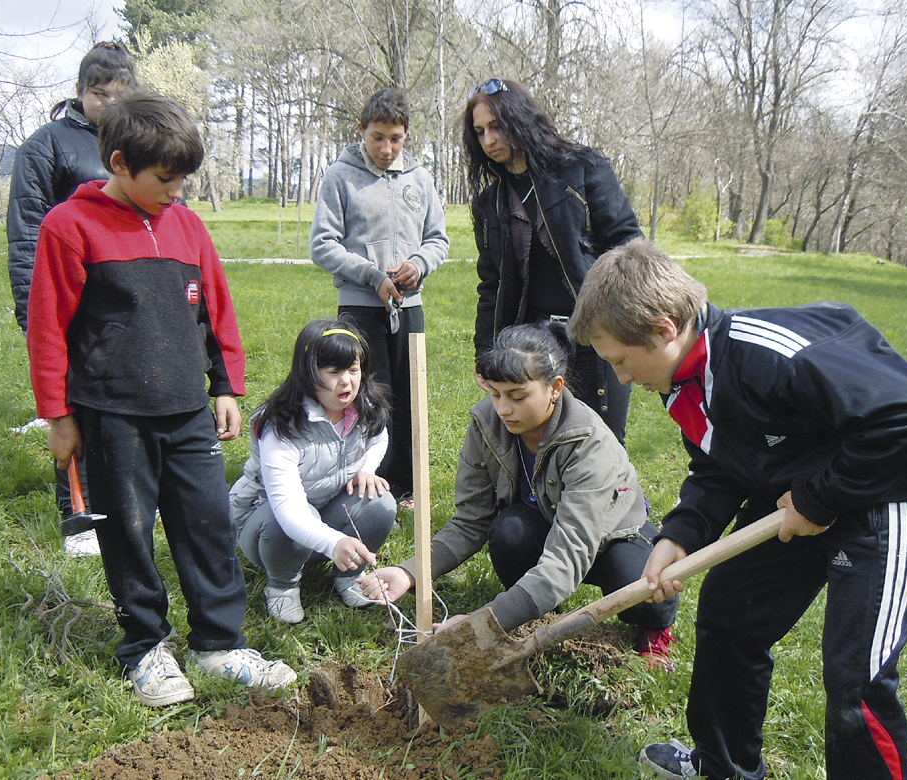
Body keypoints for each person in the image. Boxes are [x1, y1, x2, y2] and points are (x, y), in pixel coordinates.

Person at [566, 239, 907, 780]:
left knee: (856, 679)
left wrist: (821, 499)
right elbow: (720, 465)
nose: (623, 379)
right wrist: (681, 534)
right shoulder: (686, 379)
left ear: (663, 328)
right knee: (729, 614)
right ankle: (725, 767)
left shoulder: (770, 355)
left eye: (621, 362)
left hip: (887, 490)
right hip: (799, 486)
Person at [25, 91, 297, 708]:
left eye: (184, 180)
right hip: (111, 414)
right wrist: (59, 416)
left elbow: (218, 312)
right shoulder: (70, 227)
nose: (177, 191)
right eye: (165, 179)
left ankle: (219, 643)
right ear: (119, 163)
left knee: (206, 523)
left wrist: (225, 386)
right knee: (127, 529)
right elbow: (48, 327)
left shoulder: (188, 226)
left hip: (187, 412)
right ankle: (146, 646)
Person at [358, 322, 679, 665]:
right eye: (495, 394)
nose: (503, 408)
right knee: (509, 531)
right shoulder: (486, 423)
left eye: (517, 396)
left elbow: (566, 557)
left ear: (555, 388)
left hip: (612, 536)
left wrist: (482, 625)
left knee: (643, 585)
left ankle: (654, 629)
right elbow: (470, 521)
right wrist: (409, 573)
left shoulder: (588, 442)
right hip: (544, 524)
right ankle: (538, 609)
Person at [8, 41, 137, 558]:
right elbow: (25, 235)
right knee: (73, 408)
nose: (108, 103)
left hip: (128, 300)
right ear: (79, 92)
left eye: (119, 93)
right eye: (98, 93)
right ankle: (79, 514)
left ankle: (129, 497)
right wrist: (29, 310)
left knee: (126, 402)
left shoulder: (142, 142)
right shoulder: (46, 147)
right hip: (69, 298)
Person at [463, 78, 642, 445]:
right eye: (480, 132)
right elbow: (491, 283)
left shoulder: (581, 168)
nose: (489, 140)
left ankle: (617, 503)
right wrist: (486, 351)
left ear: (521, 119)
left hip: (597, 328)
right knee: (537, 436)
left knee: (602, 438)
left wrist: (617, 312)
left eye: (496, 126)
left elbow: (627, 241)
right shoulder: (490, 203)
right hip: (530, 337)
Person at [310, 87, 449, 502]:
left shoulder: (420, 179)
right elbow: (323, 244)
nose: (386, 148)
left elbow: (438, 239)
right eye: (377, 137)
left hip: (409, 307)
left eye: (395, 138)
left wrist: (419, 264)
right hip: (361, 307)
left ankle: (407, 485)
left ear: (407, 135)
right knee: (368, 393)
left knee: (409, 394)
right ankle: (369, 482)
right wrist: (372, 276)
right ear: (360, 131)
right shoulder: (340, 175)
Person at [229, 317, 397, 624]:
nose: (347, 381)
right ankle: (282, 586)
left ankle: (350, 575)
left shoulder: (367, 406)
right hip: (267, 527)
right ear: (308, 374)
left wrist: (368, 469)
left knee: (381, 501)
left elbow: (379, 437)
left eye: (354, 369)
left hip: (327, 514)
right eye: (334, 372)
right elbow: (289, 509)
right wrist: (334, 543)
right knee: (289, 518)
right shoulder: (281, 425)